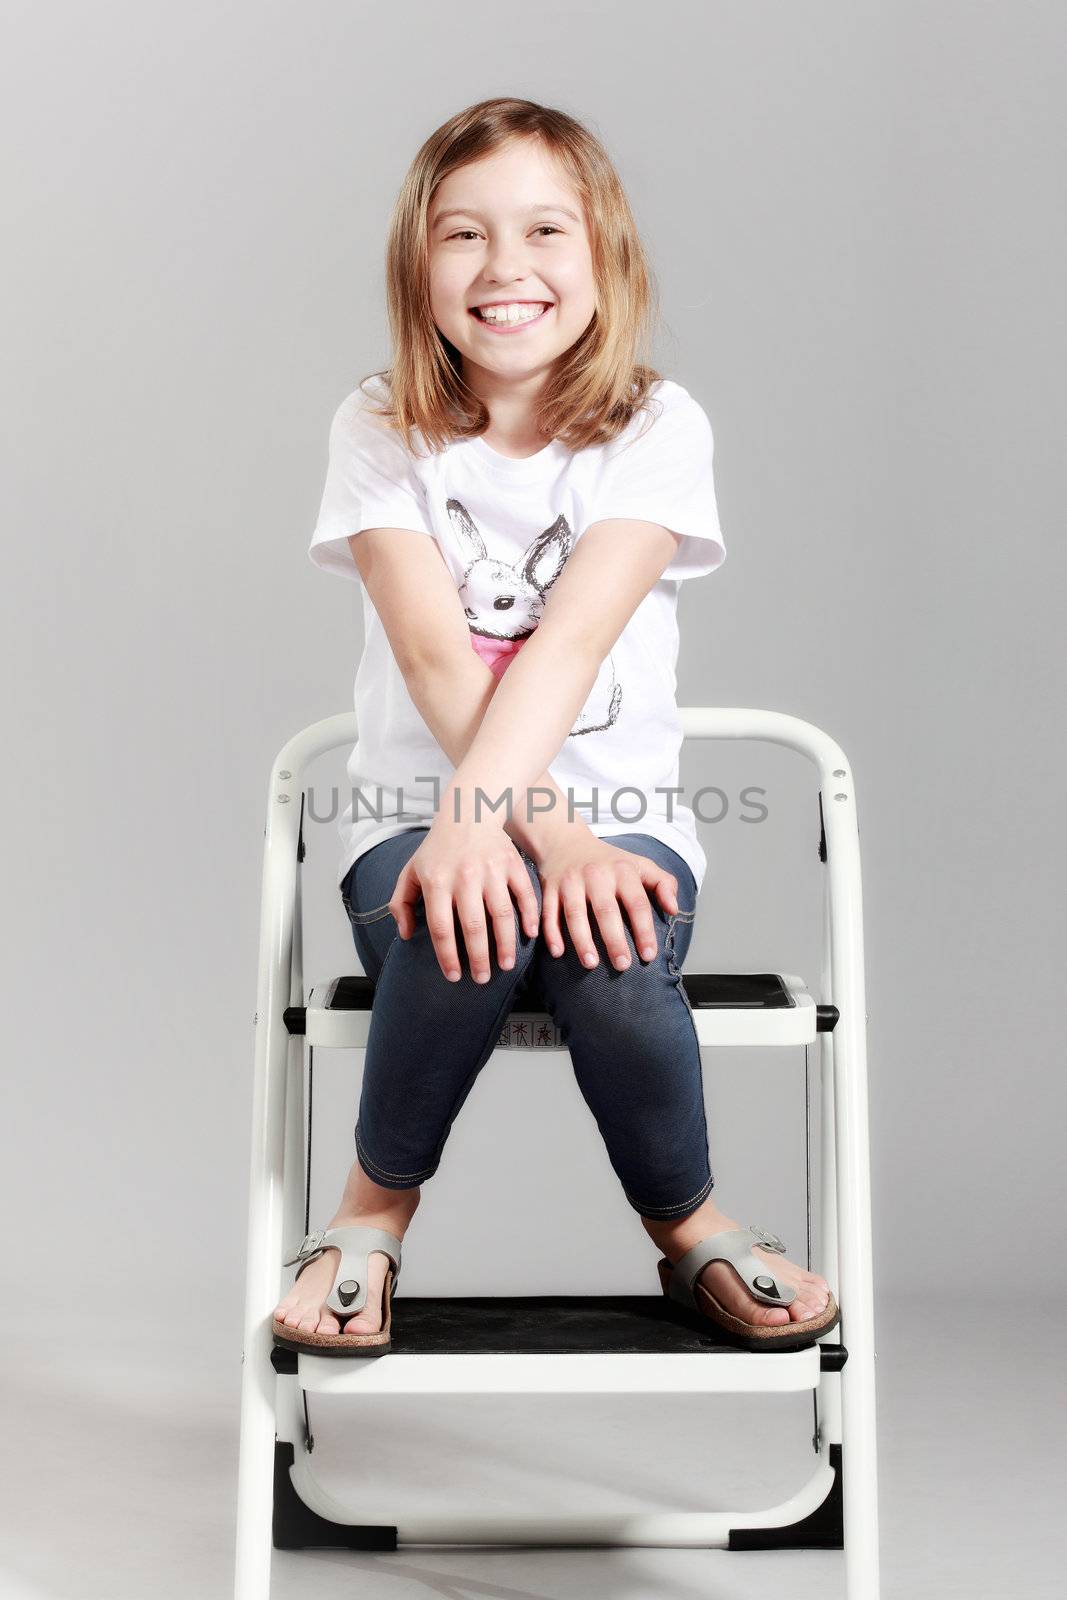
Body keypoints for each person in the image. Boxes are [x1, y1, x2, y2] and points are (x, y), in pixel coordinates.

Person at [273, 98, 836, 1355]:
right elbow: (431, 651)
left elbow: (571, 638)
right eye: (462, 235)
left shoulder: (654, 425)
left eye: (542, 230)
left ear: (604, 257)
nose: (503, 267)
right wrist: (496, 827)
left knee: (615, 957)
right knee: (470, 910)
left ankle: (688, 1229)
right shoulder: (379, 426)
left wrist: (577, 842)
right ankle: (369, 1216)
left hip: (621, 832)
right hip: (416, 830)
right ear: (417, 266)